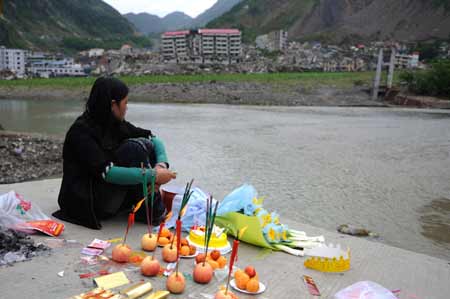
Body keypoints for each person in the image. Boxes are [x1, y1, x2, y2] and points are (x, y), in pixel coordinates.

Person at [53, 77, 176, 229]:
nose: (126, 108)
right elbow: (108, 173)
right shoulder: (81, 132)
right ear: (113, 105)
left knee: (145, 144)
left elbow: (153, 139)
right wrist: (154, 175)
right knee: (135, 148)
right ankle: (152, 210)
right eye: (125, 103)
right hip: (88, 202)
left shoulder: (114, 124)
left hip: (109, 195)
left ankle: (149, 207)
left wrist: (161, 166)